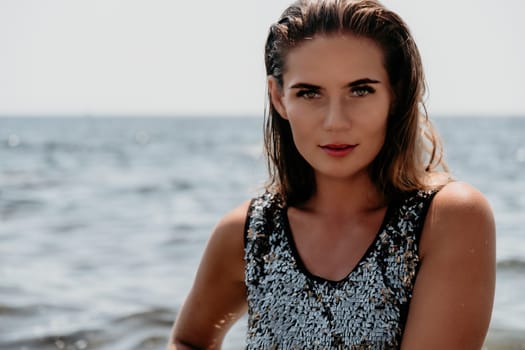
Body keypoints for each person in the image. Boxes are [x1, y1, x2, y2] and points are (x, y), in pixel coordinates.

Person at [168, 0, 496, 348]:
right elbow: (189, 340)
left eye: (360, 90)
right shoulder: (248, 234)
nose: (335, 121)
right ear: (279, 97)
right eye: (309, 93)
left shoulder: (448, 220)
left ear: (395, 94)